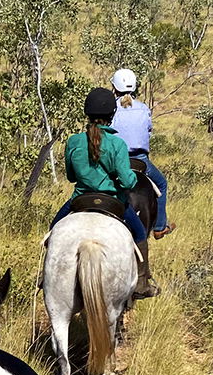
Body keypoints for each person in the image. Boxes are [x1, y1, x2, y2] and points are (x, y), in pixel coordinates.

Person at [50, 86, 158, 298]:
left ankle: (47, 278)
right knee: (138, 234)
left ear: (87, 114)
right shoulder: (117, 143)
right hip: (113, 201)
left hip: (80, 199)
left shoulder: (74, 141)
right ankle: (142, 283)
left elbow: (71, 177)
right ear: (112, 114)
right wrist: (130, 177)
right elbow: (128, 181)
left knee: (54, 229)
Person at [110, 68, 174, 239]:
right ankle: (160, 227)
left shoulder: (110, 109)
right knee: (161, 185)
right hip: (140, 160)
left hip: (116, 160)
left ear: (114, 87)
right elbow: (148, 132)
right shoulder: (143, 108)